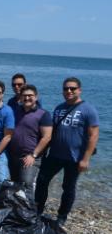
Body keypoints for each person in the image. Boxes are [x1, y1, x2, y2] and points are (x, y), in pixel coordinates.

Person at [35, 77, 99, 226]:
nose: (69, 91)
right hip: (55, 154)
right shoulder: (59, 108)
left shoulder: (88, 109)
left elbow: (94, 135)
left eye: (72, 88)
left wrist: (86, 159)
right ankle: (38, 210)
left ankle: (62, 216)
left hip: (75, 157)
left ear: (79, 90)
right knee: (42, 181)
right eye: (66, 88)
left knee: (68, 187)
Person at [7, 85, 52, 191]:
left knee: (26, 184)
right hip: (13, 155)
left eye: (30, 95)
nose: (27, 98)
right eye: (24, 96)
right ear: (21, 98)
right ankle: (17, 206)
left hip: (30, 156)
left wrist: (33, 155)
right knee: (15, 184)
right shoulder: (15, 111)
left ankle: (29, 207)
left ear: (36, 97)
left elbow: (47, 137)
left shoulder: (43, 114)